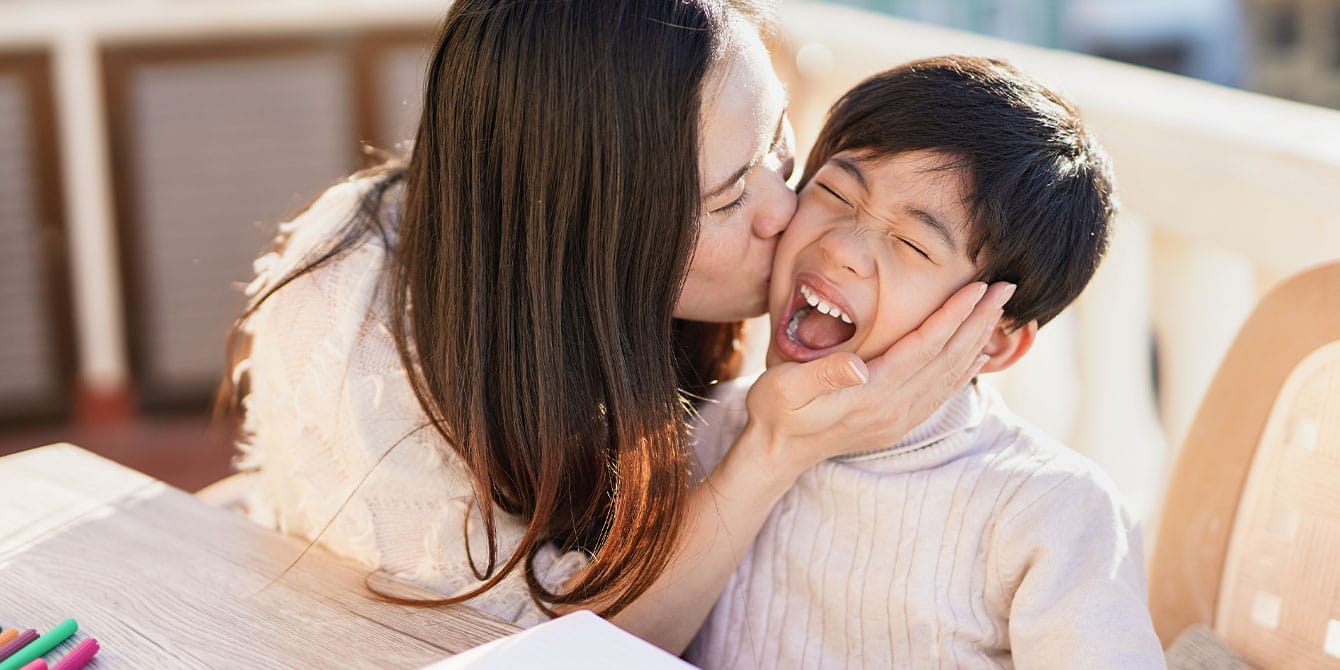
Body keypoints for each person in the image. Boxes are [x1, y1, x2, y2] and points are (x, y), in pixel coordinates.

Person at [222, 1, 1010, 654]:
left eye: (777, 143)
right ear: (579, 235)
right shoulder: (362, 327)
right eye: (732, 199)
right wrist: (777, 448)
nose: (788, 209)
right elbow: (558, 657)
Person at [685, 56, 1166, 668]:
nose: (842, 247)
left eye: (912, 243)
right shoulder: (705, 428)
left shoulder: (1048, 511)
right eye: (833, 192)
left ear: (991, 340)